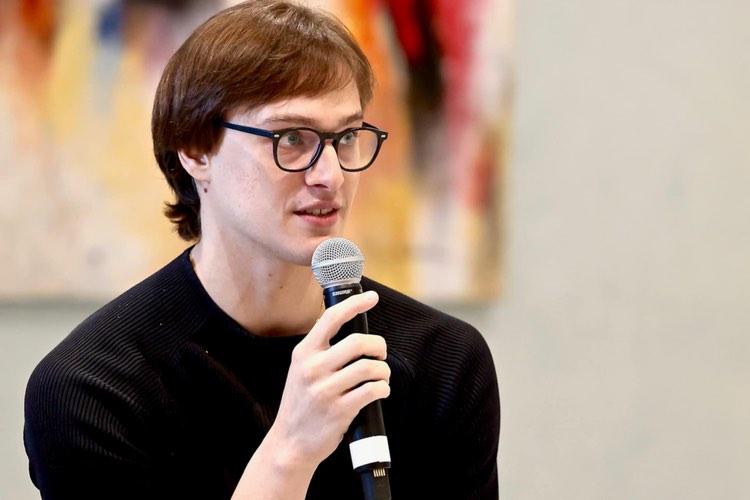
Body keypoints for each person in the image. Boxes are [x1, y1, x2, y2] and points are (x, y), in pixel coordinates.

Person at [23, 1, 500, 498]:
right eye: (291, 138)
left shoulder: (443, 362)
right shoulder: (91, 389)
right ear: (196, 149)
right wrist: (291, 450)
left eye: (346, 138)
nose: (331, 176)